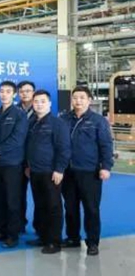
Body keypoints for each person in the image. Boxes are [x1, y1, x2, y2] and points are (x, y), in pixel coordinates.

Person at [60, 86, 114, 256]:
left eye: (82, 97)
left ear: (89, 100)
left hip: (90, 171)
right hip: (68, 171)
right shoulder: (64, 119)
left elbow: (106, 145)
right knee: (70, 207)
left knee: (91, 208)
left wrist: (106, 167)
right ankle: (72, 238)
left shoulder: (98, 121)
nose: (78, 101)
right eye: (75, 97)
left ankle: (92, 242)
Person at [26, 90, 71, 254]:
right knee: (40, 205)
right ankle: (43, 236)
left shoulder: (57, 123)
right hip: (35, 171)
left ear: (50, 104)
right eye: (36, 101)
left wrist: (59, 169)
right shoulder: (32, 122)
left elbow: (64, 148)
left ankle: (54, 241)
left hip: (51, 172)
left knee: (53, 206)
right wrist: (28, 166)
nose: (39, 104)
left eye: (42, 101)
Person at [0, 81, 29, 248]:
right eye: (2, 91)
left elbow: (17, 139)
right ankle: (1, 230)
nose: (4, 94)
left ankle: (12, 235)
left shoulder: (19, 114)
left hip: (12, 163)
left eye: (8, 91)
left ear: (14, 94)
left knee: (12, 200)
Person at [16, 80, 36, 234]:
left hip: (36, 160)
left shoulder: (41, 109)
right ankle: (19, 223)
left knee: (40, 196)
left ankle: (40, 228)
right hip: (17, 159)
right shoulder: (13, 110)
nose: (25, 94)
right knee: (17, 195)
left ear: (33, 93)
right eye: (22, 91)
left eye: (28, 91)